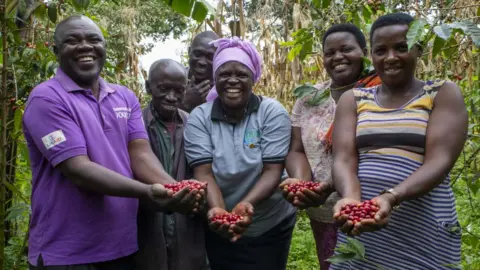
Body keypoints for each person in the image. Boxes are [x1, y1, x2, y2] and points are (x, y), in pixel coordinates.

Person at [22, 16, 205, 270]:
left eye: (94, 40)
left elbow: (140, 154)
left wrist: (175, 189)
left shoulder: (124, 97)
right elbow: (78, 169)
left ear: (104, 47)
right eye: (73, 41)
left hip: (122, 247)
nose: (85, 46)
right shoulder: (47, 99)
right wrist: (147, 192)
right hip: (68, 252)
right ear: (56, 51)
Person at [331, 13, 468, 270]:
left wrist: (391, 197)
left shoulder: (442, 93)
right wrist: (351, 199)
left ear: (418, 49)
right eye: (381, 50)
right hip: (363, 221)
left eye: (401, 48)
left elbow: (439, 161)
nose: (391, 57)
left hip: (423, 224)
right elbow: (344, 158)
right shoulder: (354, 99)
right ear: (371, 55)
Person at [184, 37, 297, 270]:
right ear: (215, 78)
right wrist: (219, 212)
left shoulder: (271, 112)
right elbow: (203, 172)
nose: (232, 80)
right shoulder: (199, 117)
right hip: (219, 223)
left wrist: (245, 204)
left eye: (241, 74)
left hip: (269, 222)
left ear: (253, 78)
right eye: (224, 74)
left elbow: (272, 170)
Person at [279, 24, 381, 269]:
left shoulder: (380, 93)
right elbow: (296, 149)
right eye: (330, 52)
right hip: (322, 209)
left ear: (364, 52)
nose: (338, 57)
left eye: (346, 49)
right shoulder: (308, 98)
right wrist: (303, 183)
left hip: (372, 207)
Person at [135, 59, 208, 270]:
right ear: (149, 87)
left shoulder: (195, 123)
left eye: (179, 90)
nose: (171, 97)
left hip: (188, 227)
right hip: (146, 225)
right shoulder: (135, 123)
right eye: (163, 89)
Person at [181, 31, 220, 112]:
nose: (202, 62)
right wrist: (184, 104)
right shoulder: (174, 79)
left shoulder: (223, 86)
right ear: (189, 52)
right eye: (197, 54)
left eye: (210, 57)